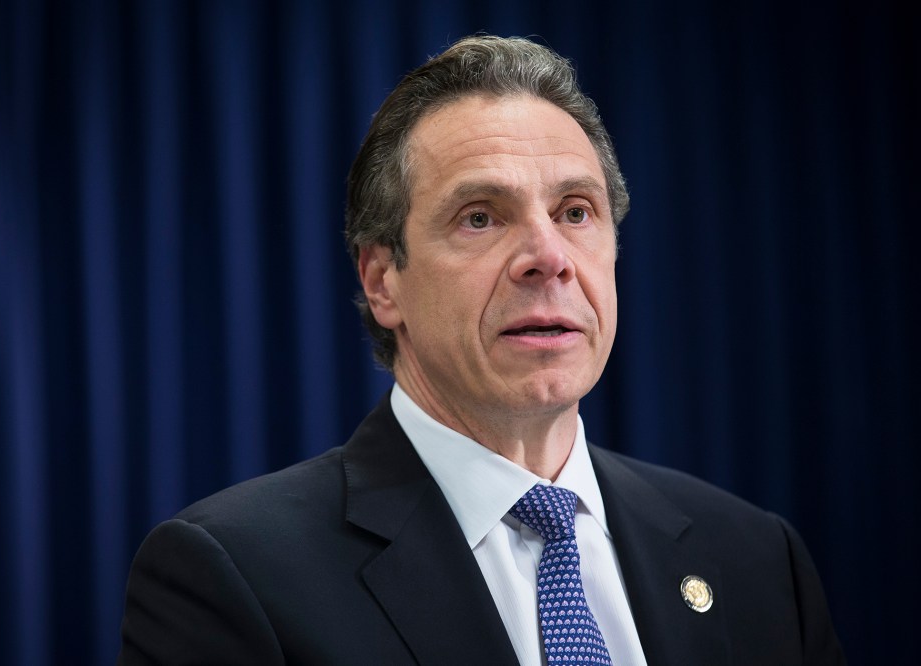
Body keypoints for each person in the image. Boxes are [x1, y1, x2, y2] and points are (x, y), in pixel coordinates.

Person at [118, 35, 845, 665]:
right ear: (383, 281)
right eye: (480, 217)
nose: (547, 256)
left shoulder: (756, 558)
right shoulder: (232, 575)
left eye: (576, 212)